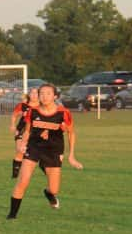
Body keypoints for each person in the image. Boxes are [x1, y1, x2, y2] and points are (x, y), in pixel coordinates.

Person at [6, 84, 83, 219]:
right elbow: (28, 130)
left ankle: (48, 194)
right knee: (23, 180)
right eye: (41, 93)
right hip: (34, 148)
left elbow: (71, 133)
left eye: (48, 93)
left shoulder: (63, 113)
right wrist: (23, 144)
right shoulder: (32, 111)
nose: (44, 96)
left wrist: (71, 156)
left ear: (55, 96)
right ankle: (12, 215)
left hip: (53, 150)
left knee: (54, 189)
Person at [9, 88, 39, 178]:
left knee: (31, 153)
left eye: (36, 93)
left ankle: (25, 171)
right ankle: (15, 175)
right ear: (29, 94)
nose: (34, 95)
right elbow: (14, 115)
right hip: (21, 130)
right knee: (20, 150)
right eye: (32, 93)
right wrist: (13, 125)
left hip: (36, 132)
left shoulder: (42, 106)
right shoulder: (23, 105)